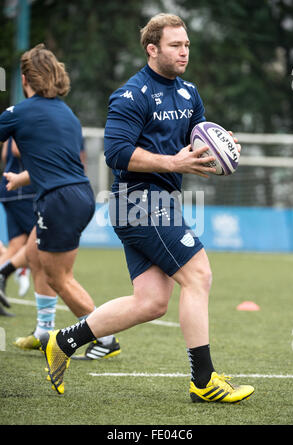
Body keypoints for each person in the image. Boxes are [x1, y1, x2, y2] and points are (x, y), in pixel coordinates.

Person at [39, 14, 254, 402]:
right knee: (199, 275)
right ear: (152, 49)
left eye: (187, 44)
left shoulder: (190, 93)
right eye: (175, 45)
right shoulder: (132, 94)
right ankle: (204, 381)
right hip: (136, 201)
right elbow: (115, 153)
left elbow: (197, 141)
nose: (184, 51)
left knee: (151, 302)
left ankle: (64, 340)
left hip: (162, 202)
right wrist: (173, 163)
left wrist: (222, 147)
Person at [0, 44, 121, 359]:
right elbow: (56, 163)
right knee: (35, 256)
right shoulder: (67, 114)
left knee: (58, 275)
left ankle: (104, 337)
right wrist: (21, 178)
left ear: (26, 80)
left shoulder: (20, 112)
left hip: (59, 200)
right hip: (78, 194)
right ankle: (43, 330)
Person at [0, 137, 35, 316]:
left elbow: (7, 154)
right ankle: (9, 272)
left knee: (16, 245)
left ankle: (5, 274)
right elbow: (14, 149)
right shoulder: (26, 117)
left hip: (14, 190)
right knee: (40, 242)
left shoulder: (17, 116)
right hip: (22, 192)